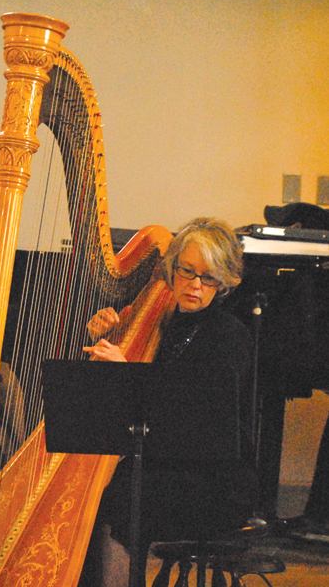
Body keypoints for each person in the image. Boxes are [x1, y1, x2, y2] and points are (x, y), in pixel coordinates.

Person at [80, 217, 259, 586]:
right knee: (105, 493)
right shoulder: (163, 318)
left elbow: (193, 417)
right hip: (165, 463)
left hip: (212, 477)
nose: (195, 285)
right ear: (171, 269)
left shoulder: (229, 336)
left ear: (224, 280)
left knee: (116, 499)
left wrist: (128, 372)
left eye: (208, 277)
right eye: (187, 271)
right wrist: (105, 333)